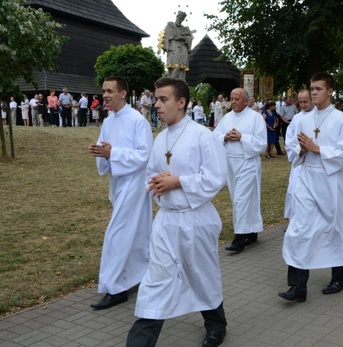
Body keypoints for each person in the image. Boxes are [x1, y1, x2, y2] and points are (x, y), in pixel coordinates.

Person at [126, 77, 228, 347]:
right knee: (156, 282)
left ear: (181, 102)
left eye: (163, 99)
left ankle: (217, 325)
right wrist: (158, 182)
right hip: (167, 221)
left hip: (196, 220)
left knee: (202, 275)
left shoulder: (203, 136)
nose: (156, 104)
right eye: (156, 99)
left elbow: (216, 178)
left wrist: (178, 181)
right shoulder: (160, 140)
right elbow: (150, 174)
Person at [278, 72, 343, 302]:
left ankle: (339, 277)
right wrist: (302, 150)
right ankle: (298, 286)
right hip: (307, 179)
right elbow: (293, 149)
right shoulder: (302, 119)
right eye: (312, 88)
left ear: (330, 91)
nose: (313, 93)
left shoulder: (341, 119)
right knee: (299, 230)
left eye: (318, 89)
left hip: (330, 181)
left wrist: (316, 148)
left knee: (334, 228)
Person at [87, 76, 153, 310]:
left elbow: (144, 156)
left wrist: (113, 154)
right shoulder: (108, 121)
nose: (105, 95)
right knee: (132, 234)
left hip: (135, 184)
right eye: (103, 91)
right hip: (118, 182)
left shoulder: (138, 121)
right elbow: (106, 149)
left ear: (123, 93)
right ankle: (137, 274)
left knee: (117, 234)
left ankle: (115, 288)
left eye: (110, 91)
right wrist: (101, 153)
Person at [213, 88, 267, 252]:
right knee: (240, 198)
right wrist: (225, 137)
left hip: (247, 162)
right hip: (231, 163)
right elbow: (214, 136)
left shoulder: (255, 117)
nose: (234, 102)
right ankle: (252, 232)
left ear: (246, 101)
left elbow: (261, 143)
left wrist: (242, 137)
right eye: (232, 98)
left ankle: (240, 237)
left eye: (237, 99)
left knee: (241, 199)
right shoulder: (227, 117)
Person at [284, 89, 313, 220]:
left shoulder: (318, 116)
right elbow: (289, 140)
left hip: (313, 162)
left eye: (305, 102)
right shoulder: (296, 118)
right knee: (294, 191)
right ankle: (294, 220)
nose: (303, 105)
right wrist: (299, 150)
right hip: (298, 161)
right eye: (300, 102)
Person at [162, 11, 194, 81]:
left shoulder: (184, 29)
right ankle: (171, 81)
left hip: (183, 50)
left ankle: (179, 82)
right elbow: (164, 37)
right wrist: (170, 40)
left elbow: (190, 38)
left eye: (182, 19)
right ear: (177, 16)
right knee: (174, 66)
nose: (181, 20)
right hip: (173, 48)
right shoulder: (169, 25)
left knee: (181, 68)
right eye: (180, 18)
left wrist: (182, 38)